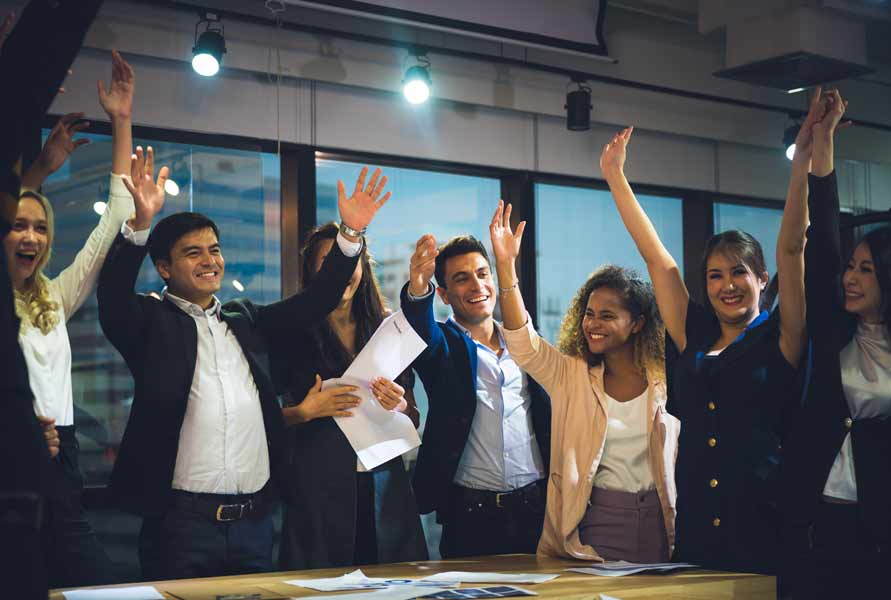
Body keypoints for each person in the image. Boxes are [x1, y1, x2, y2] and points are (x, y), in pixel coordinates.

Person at [97, 156, 389, 579]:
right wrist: (139, 224)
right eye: (192, 253)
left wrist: (350, 235)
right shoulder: (149, 322)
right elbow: (112, 297)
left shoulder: (245, 319)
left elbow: (318, 299)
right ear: (164, 269)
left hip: (255, 524)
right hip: (183, 526)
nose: (209, 260)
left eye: (214, 250)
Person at [600, 118, 809, 574]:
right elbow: (657, 258)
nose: (727, 285)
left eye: (739, 273)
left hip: (762, 525)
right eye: (715, 275)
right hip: (696, 525)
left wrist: (804, 164)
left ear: (762, 280)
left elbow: (792, 248)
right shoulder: (693, 333)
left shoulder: (782, 336)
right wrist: (616, 177)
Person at [5, 49, 137, 588]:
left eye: (40, 227)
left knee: (86, 582)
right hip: (12, 452)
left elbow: (115, 226)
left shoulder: (52, 299)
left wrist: (122, 121)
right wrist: (34, 170)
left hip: (62, 455)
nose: (31, 237)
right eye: (17, 225)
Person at [487, 200, 678, 562]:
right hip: (595, 524)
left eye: (608, 316)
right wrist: (505, 267)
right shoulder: (571, 375)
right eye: (589, 314)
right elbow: (523, 344)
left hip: (662, 521)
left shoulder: (665, 378)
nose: (593, 324)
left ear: (637, 323)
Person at [782, 89, 891, 599]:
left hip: (880, 531)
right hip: (815, 518)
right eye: (852, 267)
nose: (851, 278)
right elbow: (823, 238)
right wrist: (822, 143)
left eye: (866, 270)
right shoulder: (835, 329)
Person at [275, 222, 427, 569]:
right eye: (327, 262)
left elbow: (412, 416)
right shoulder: (290, 331)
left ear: (363, 266)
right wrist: (305, 411)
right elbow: (265, 419)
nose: (340, 271)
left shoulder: (387, 327)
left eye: (347, 260)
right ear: (312, 272)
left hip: (386, 491)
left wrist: (398, 403)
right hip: (318, 493)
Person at [402, 233, 551, 558]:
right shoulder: (442, 344)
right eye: (462, 278)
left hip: (536, 508)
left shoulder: (526, 342)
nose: (477, 285)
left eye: (483, 274)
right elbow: (420, 327)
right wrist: (417, 285)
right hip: (471, 515)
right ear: (442, 293)